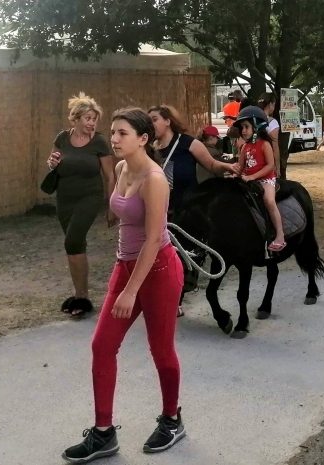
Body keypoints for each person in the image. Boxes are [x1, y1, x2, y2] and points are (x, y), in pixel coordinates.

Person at [62, 108, 186, 463]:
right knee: (102, 345)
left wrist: (131, 291)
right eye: (113, 133)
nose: (113, 139)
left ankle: (172, 419)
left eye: (122, 133)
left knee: (161, 351)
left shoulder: (154, 178)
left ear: (143, 139)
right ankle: (103, 433)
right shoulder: (119, 169)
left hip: (159, 270)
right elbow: (123, 216)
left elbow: (152, 239)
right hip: (125, 266)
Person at [47, 92, 115, 318]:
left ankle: (82, 298)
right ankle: (80, 294)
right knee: (75, 246)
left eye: (94, 119)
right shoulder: (62, 138)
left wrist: (111, 205)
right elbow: (54, 161)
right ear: (75, 119)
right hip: (65, 198)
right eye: (88, 118)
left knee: (72, 240)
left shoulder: (100, 141)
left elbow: (110, 175)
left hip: (89, 197)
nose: (92, 123)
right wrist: (52, 163)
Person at [148, 104, 240, 215]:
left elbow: (212, 164)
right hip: (160, 211)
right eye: (149, 122)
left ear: (167, 121)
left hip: (187, 211)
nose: (151, 125)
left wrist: (228, 166)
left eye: (154, 120)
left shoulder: (188, 143)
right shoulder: (151, 148)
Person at [234, 106, 286, 252]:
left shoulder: (265, 144)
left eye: (246, 127)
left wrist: (252, 176)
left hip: (266, 180)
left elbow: (271, 166)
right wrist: (234, 173)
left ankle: (280, 235)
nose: (243, 130)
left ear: (257, 126)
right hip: (249, 180)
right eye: (242, 127)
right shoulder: (244, 147)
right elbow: (240, 166)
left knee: (269, 200)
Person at [257, 92, 281, 177]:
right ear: (270, 104)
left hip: (253, 159)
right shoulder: (272, 122)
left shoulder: (252, 119)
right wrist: (277, 168)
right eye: (274, 104)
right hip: (267, 161)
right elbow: (275, 146)